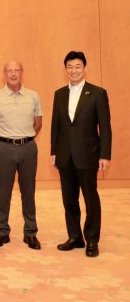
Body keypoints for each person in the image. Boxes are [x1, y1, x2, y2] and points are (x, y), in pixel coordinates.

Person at [51, 51, 112, 258]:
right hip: (65, 155)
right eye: (70, 66)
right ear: (65, 69)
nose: (73, 70)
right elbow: (56, 126)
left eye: (77, 66)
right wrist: (53, 151)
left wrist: (105, 155)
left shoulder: (97, 93)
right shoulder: (59, 94)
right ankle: (75, 237)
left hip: (88, 155)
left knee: (90, 198)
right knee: (69, 199)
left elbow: (105, 127)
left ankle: (92, 239)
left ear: (84, 68)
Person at [0, 61, 42, 250]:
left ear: (22, 72)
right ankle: (2, 232)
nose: (13, 74)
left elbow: (38, 123)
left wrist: (23, 137)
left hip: (27, 148)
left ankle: (31, 233)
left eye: (16, 70)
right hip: (4, 148)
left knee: (28, 192)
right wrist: (5, 141)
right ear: (4, 74)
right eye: (9, 71)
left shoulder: (33, 96)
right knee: (4, 192)